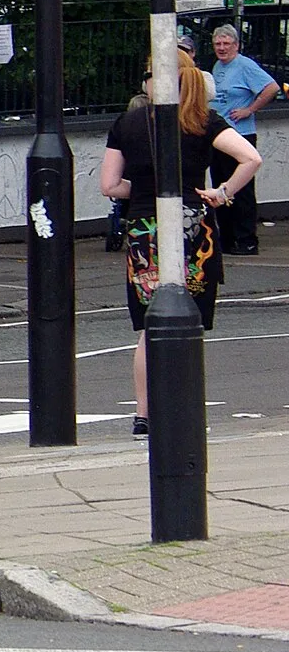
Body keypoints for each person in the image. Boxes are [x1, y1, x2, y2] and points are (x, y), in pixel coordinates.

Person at [103, 52, 261, 436]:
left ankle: (143, 413)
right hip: (193, 227)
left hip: (144, 229)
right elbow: (250, 158)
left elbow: (109, 185)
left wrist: (141, 190)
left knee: (149, 326)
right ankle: (185, 404)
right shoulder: (203, 121)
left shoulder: (128, 122)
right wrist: (221, 194)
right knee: (187, 321)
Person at [209, 25, 277, 255]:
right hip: (219, 135)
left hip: (240, 134)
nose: (222, 48)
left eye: (226, 44)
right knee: (222, 186)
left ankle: (246, 239)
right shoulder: (218, 66)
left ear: (236, 45)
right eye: (218, 44)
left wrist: (250, 109)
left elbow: (271, 87)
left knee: (242, 188)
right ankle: (227, 238)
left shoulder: (245, 65)